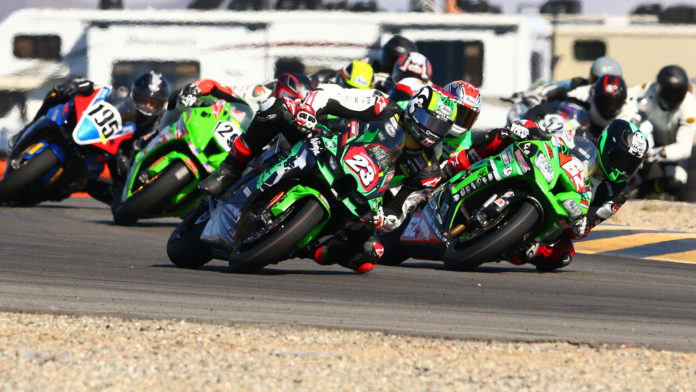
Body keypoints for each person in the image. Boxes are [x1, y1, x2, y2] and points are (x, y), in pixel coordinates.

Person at [198, 84, 458, 273]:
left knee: (368, 256)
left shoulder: (428, 170)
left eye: (440, 127)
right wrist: (309, 110)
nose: (430, 131)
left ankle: (312, 249)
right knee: (275, 108)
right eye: (428, 120)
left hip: (362, 196)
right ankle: (228, 171)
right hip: (328, 143)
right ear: (415, 107)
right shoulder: (385, 108)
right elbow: (332, 96)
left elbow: (401, 209)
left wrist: (385, 219)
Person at [445, 117, 648, 271]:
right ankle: (455, 163)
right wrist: (528, 128)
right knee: (504, 135)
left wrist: (579, 224)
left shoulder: (619, 191)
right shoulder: (580, 134)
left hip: (564, 208)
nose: (623, 169)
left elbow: (590, 222)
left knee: (563, 255)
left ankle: (516, 246)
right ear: (609, 146)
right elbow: (545, 130)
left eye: (631, 164)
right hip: (541, 170)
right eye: (622, 159)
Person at [626, 65, 696, 199]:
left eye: (679, 92)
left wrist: (659, 153)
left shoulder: (690, 107)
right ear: (660, 88)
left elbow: (684, 148)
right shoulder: (649, 88)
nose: (674, 97)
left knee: (677, 182)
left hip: (670, 148)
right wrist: (632, 117)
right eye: (670, 93)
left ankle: (645, 189)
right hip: (646, 138)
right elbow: (627, 96)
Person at [515, 56, 623, 108]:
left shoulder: (625, 98)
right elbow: (552, 86)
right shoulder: (579, 84)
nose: (600, 86)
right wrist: (532, 94)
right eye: (596, 80)